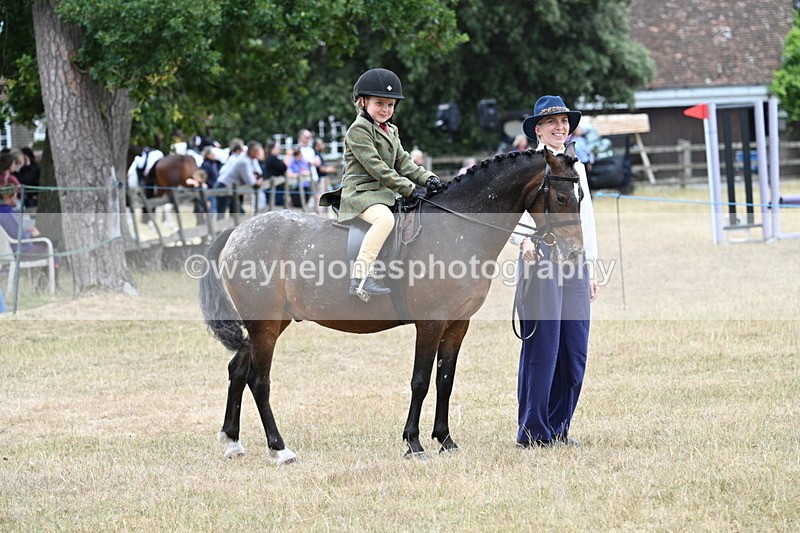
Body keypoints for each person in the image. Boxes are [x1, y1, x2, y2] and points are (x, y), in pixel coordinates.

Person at [512, 95, 598, 448]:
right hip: (541, 256)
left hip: (574, 261)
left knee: (574, 347)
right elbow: (510, 211)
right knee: (543, 347)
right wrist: (522, 241)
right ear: (538, 129)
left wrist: (591, 268)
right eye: (552, 122)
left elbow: (586, 219)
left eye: (563, 121)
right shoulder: (526, 164)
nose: (560, 127)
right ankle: (533, 432)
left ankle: (559, 426)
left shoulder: (575, 165)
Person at [335, 67, 441, 299]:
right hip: (361, 195)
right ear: (363, 102)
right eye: (379, 103)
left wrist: (428, 178)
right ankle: (360, 278)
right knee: (384, 219)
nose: (386, 109)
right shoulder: (358, 130)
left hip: (383, 195)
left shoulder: (391, 130)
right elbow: (378, 169)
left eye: (390, 105)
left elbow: (404, 162)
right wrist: (410, 189)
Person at [0, 174, 59, 268]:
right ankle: (50, 280)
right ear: (8, 197)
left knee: (50, 243)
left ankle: (43, 279)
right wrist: (32, 234)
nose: (16, 199)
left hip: (12, 248)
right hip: (20, 250)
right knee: (51, 249)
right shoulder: (6, 212)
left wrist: (27, 230)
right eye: (15, 196)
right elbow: (18, 235)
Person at [214, 141, 264, 218]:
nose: (260, 154)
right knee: (221, 214)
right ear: (253, 152)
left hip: (230, 188)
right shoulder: (244, 161)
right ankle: (217, 230)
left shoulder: (250, 159)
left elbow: (258, 173)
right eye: (258, 152)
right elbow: (251, 182)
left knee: (238, 213)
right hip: (224, 186)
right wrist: (257, 181)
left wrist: (257, 178)